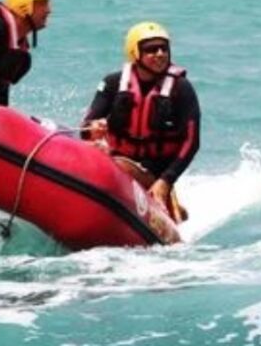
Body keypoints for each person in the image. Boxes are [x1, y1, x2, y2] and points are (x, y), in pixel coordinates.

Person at [81, 21, 200, 217]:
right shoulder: (113, 83)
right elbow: (86, 126)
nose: (160, 54)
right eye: (151, 50)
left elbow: (191, 142)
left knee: (121, 166)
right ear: (135, 53)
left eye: (164, 48)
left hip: (155, 171)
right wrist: (93, 128)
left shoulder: (182, 89)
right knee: (106, 160)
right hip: (116, 159)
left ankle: (168, 206)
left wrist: (165, 181)